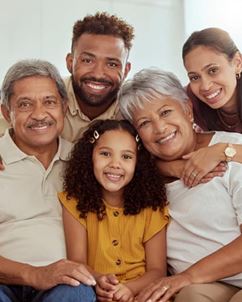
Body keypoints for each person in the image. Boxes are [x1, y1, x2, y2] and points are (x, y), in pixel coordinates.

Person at [118, 68, 242, 302]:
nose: (160, 128)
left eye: (166, 112)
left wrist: (185, 277)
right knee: (191, 298)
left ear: (187, 109)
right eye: (145, 123)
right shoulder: (138, 177)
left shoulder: (230, 153)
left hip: (208, 279)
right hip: (204, 286)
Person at [0, 59, 96, 302]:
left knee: (77, 294)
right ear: (5, 113)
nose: (39, 115)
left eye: (49, 102)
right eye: (25, 104)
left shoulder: (87, 162)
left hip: (65, 285)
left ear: (64, 107)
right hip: (3, 282)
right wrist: (33, 274)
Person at [58, 119, 169, 302]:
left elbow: (157, 271)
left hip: (143, 294)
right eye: (105, 154)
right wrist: (99, 280)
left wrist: (129, 289)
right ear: (90, 156)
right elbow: (77, 262)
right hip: (98, 293)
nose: (115, 164)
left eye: (126, 157)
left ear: (138, 163)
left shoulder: (152, 206)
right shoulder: (74, 203)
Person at [0, 12, 135, 143]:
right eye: (87, 60)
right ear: (70, 62)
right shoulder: (48, 93)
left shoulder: (134, 109)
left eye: (112, 64)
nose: (98, 74)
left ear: (126, 70)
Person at [171, 27, 242, 186]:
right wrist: (177, 168)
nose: (205, 86)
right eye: (194, 77)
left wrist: (220, 152)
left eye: (213, 70)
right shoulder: (189, 98)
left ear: (237, 63)